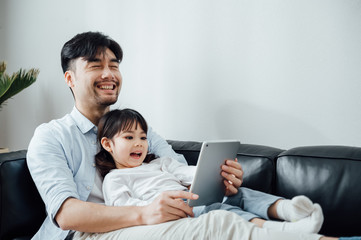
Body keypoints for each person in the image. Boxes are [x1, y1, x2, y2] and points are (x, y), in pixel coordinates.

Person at [26, 31, 360, 240]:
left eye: (114, 64)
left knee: (225, 201)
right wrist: (145, 213)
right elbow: (68, 214)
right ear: (70, 79)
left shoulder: (140, 131)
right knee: (216, 223)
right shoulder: (51, 137)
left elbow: (182, 179)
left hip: (149, 223)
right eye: (96, 65)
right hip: (88, 234)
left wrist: (217, 179)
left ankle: (291, 216)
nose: (109, 73)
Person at [96, 108, 324, 234]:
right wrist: (152, 208)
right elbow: (122, 208)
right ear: (108, 144)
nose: (139, 144)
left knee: (237, 193)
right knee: (219, 210)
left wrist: (212, 172)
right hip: (178, 213)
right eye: (129, 137)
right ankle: (283, 231)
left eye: (143, 137)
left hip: (194, 199)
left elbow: (186, 172)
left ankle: (287, 209)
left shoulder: (160, 164)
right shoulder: (115, 179)